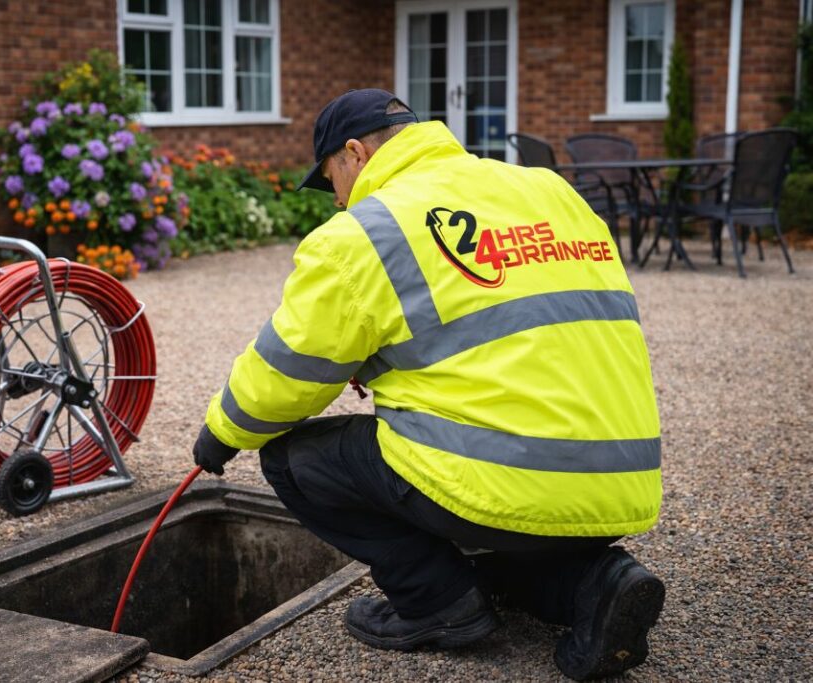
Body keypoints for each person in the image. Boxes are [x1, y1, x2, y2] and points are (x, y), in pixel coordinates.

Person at [192, 88, 665, 680]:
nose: (336, 198)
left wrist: (221, 433)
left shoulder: (368, 231)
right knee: (490, 540)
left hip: (509, 487)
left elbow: (287, 373)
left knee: (293, 458)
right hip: (623, 483)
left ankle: (435, 603)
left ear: (356, 153)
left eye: (331, 179)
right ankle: (595, 583)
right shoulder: (548, 189)